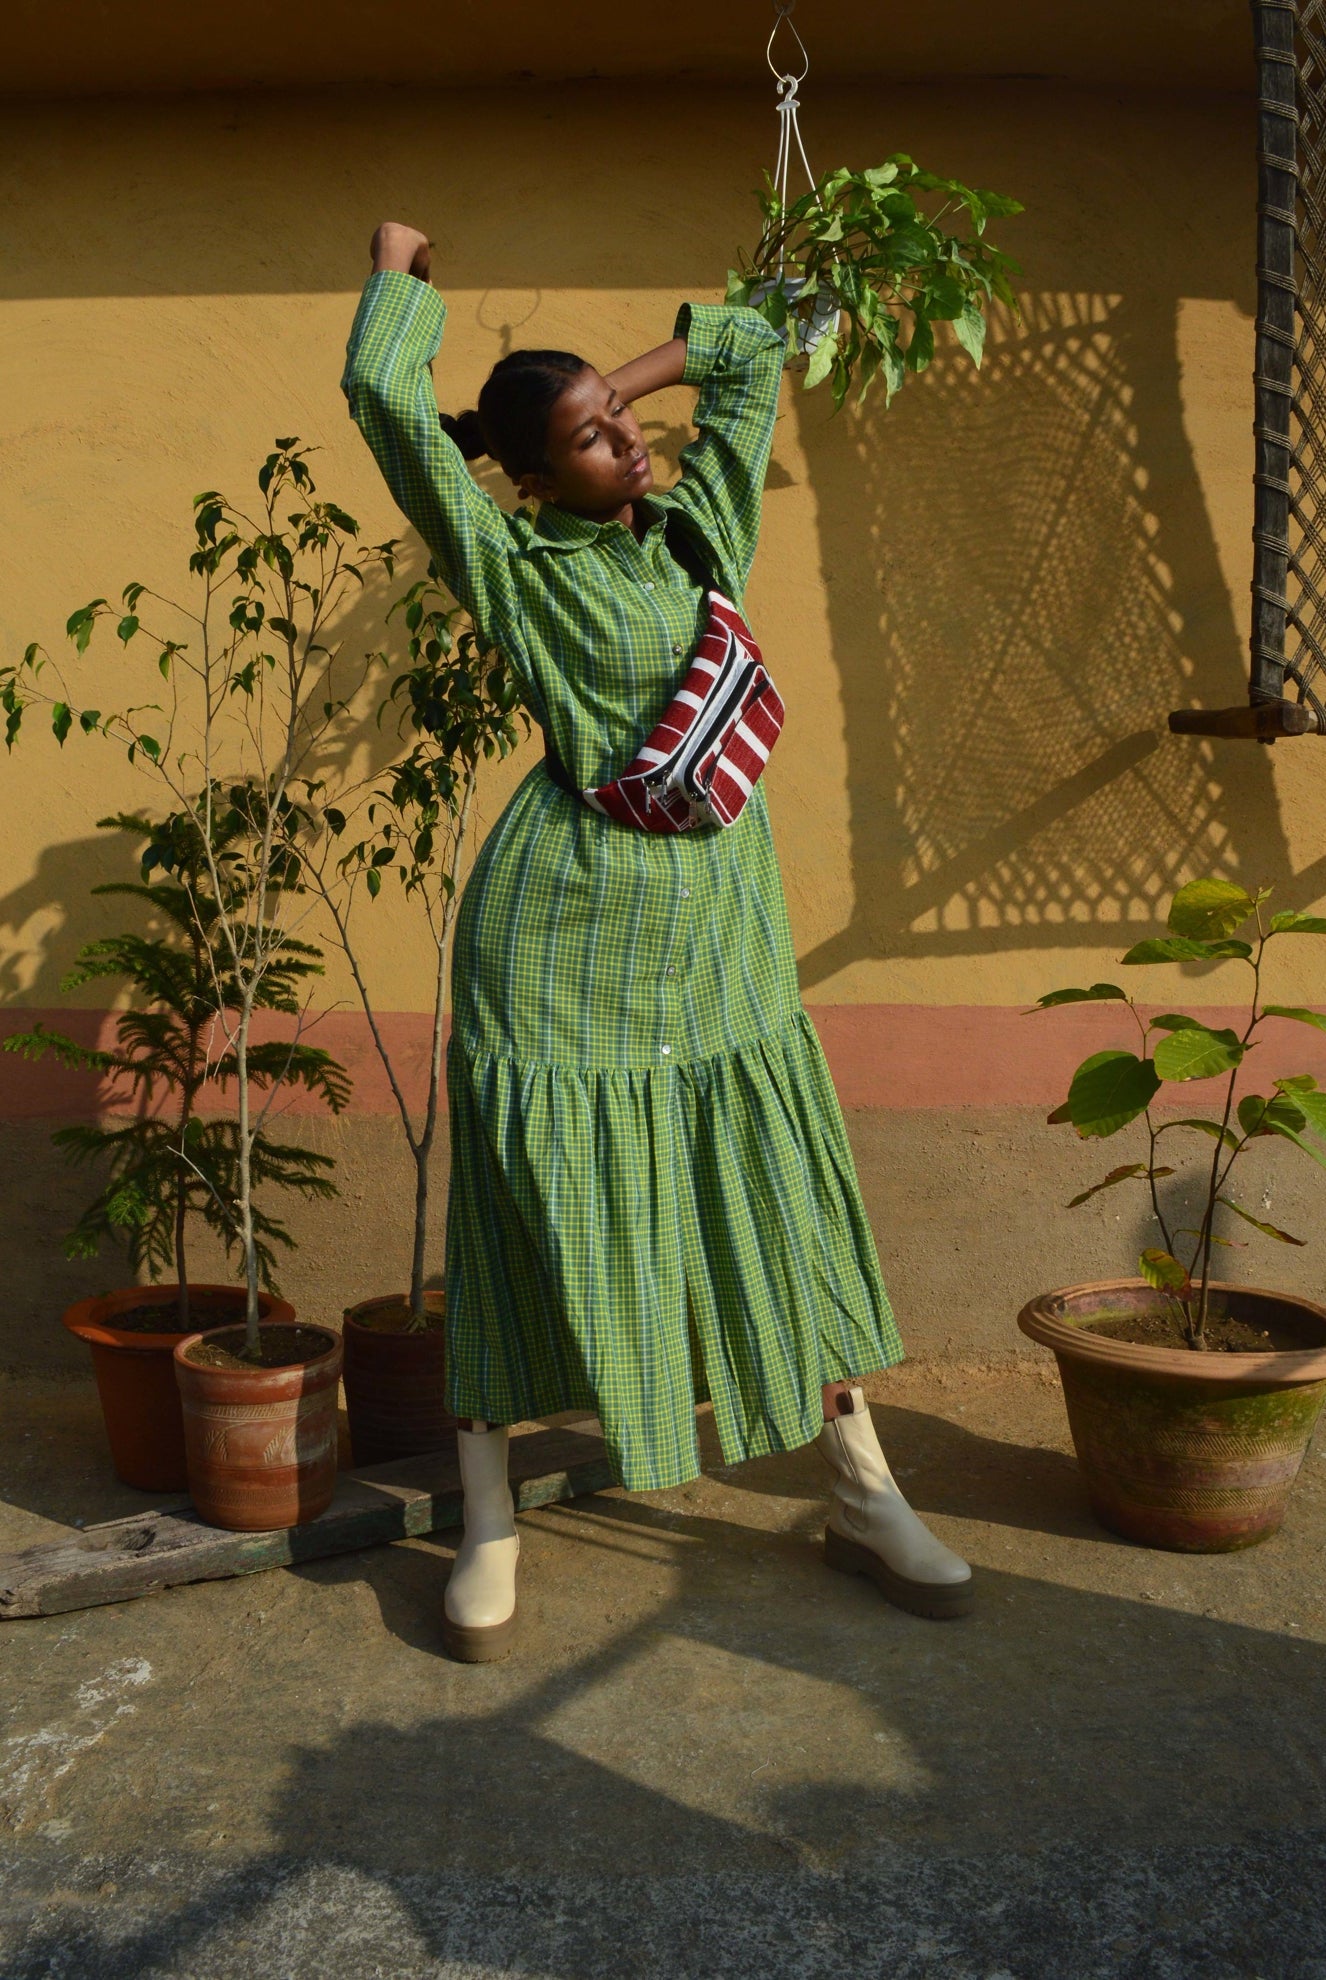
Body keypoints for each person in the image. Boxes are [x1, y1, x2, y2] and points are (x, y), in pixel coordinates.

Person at [343, 221, 973, 1660]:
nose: (628, 445)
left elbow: (755, 349)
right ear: (524, 478)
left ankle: (863, 1493)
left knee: (771, 1200)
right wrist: (398, 278)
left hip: (723, 936)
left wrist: (616, 375)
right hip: (566, 937)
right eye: (587, 441)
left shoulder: (702, 531)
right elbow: (390, 410)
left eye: (623, 423)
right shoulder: (510, 566)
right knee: (523, 1212)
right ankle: (489, 1518)